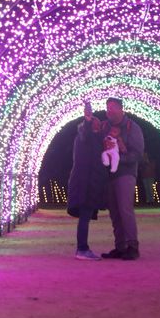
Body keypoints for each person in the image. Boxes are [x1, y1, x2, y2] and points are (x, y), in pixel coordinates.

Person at [99, 97, 145, 261]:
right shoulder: (105, 127)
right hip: (109, 174)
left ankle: (132, 246)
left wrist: (119, 161)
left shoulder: (132, 127)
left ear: (120, 109)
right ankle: (120, 246)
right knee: (114, 211)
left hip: (125, 173)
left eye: (112, 108)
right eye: (107, 108)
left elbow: (138, 153)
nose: (108, 111)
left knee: (125, 209)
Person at [67, 101, 108, 261]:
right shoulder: (85, 137)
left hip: (89, 183)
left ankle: (82, 248)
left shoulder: (92, 141)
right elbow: (86, 131)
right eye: (96, 124)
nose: (99, 126)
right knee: (85, 216)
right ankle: (82, 249)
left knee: (86, 215)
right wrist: (88, 118)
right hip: (85, 184)